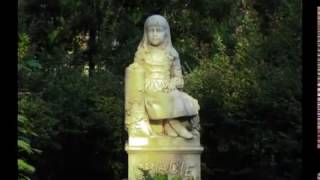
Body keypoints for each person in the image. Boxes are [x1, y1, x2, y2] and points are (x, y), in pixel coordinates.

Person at [125, 15, 200, 139]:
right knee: (164, 99)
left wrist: (172, 83)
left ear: (166, 33)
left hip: (167, 88)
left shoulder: (172, 53)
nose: (155, 34)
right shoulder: (142, 53)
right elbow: (135, 75)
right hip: (148, 89)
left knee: (189, 102)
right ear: (146, 33)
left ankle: (176, 125)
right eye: (151, 30)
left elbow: (179, 78)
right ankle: (173, 123)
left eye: (158, 30)